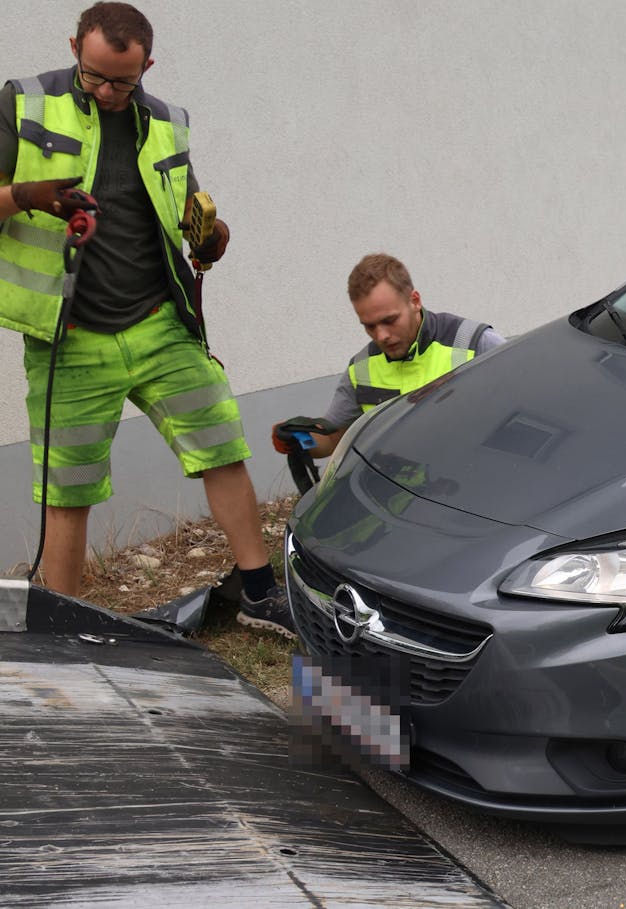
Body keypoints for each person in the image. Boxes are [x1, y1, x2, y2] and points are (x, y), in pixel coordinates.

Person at [1, 3, 294, 639]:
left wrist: (210, 237)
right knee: (68, 490)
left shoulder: (166, 121)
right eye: (94, 76)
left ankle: (259, 593)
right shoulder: (23, 103)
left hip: (160, 323)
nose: (106, 92)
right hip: (70, 336)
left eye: (122, 82)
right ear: (75, 46)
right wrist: (28, 195)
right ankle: (67, 631)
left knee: (222, 445)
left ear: (147, 67)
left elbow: (193, 215)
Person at [272, 253, 503, 459]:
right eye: (369, 326)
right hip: (398, 497)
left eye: (389, 321)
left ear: (414, 301)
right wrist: (299, 438)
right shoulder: (361, 368)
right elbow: (333, 441)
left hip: (471, 488)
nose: (381, 336)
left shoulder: (474, 343)